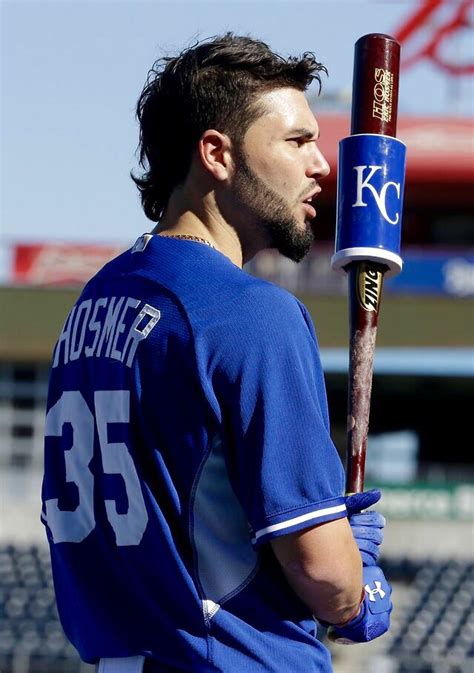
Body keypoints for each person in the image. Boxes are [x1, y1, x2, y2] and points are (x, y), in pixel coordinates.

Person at [41, 33, 391, 673]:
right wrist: (356, 581)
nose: (320, 165)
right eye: (296, 141)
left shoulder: (94, 302)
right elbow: (327, 578)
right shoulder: (254, 313)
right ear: (216, 154)